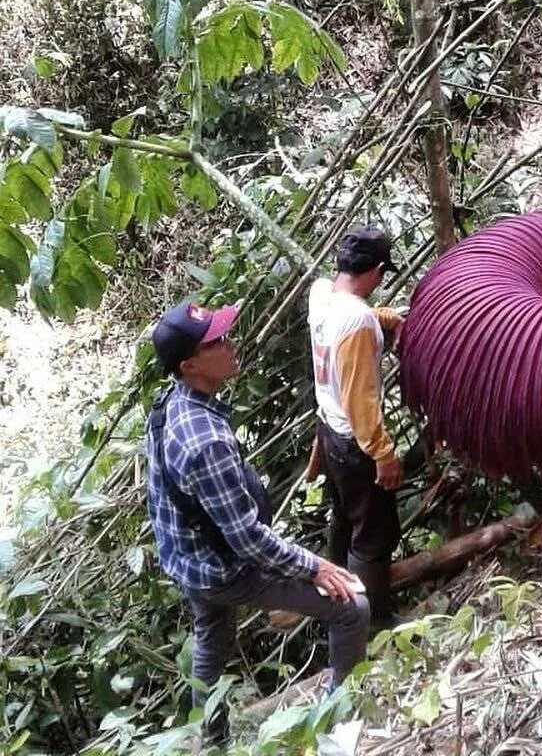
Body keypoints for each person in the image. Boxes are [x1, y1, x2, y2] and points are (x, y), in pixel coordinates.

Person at [145, 300, 369, 745]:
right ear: (190, 365)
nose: (230, 345)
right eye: (218, 342)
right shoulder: (204, 440)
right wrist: (316, 567)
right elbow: (247, 540)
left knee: (212, 636)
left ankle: (210, 742)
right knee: (352, 608)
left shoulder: (172, 402)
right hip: (223, 566)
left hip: (189, 560)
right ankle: (338, 726)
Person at [304, 226, 406, 626]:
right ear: (377, 270)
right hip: (354, 442)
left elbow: (346, 322)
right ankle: (372, 623)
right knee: (373, 536)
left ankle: (336, 607)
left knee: (346, 520)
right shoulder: (358, 323)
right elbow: (359, 399)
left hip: (330, 435)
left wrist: (385, 317)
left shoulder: (321, 294)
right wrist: (383, 453)